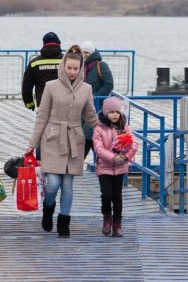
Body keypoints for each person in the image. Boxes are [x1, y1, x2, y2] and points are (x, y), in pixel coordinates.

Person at [26, 45, 98, 238]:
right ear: (63, 66)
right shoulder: (51, 86)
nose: (72, 72)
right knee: (52, 184)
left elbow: (90, 116)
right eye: (69, 68)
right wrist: (32, 144)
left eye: (76, 68)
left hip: (75, 138)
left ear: (81, 68)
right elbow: (41, 116)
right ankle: (48, 208)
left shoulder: (86, 89)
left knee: (67, 186)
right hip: (52, 138)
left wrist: (108, 129)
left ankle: (64, 222)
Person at [92, 96, 138, 237]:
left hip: (120, 167)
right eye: (112, 112)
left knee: (117, 196)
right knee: (106, 194)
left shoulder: (124, 127)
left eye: (117, 112)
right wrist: (113, 157)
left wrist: (125, 157)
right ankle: (107, 219)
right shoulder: (99, 129)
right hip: (104, 167)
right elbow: (98, 149)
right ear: (106, 112)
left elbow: (134, 144)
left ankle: (117, 224)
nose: (115, 115)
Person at [81, 41, 114, 159]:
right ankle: (104, 162)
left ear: (92, 53)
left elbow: (108, 85)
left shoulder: (101, 65)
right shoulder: (79, 66)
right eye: (82, 52)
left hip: (96, 107)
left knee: (87, 135)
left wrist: (94, 98)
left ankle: (76, 168)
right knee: (86, 137)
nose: (84, 55)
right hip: (81, 108)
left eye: (87, 52)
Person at [21, 32, 63, 111]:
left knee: (42, 122)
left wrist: (29, 103)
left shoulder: (34, 63)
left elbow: (27, 86)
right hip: (63, 102)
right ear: (59, 44)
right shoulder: (66, 61)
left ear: (43, 44)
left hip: (42, 102)